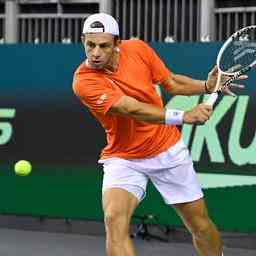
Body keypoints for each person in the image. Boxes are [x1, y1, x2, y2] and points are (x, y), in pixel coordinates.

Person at [72, 13, 244, 256]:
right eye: (90, 45)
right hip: (124, 157)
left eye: (103, 45)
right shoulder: (84, 82)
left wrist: (206, 86)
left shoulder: (138, 49)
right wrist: (183, 116)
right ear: (83, 41)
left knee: (199, 225)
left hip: (166, 150)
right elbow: (130, 109)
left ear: (117, 43)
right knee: (113, 220)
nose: (96, 53)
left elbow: (171, 82)